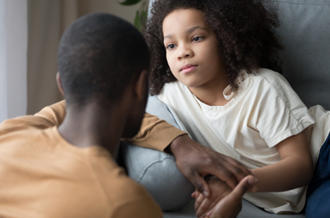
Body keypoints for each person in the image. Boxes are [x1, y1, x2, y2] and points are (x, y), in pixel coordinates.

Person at [0, 12, 257, 218]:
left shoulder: (10, 133)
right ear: (140, 87)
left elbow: (81, 105)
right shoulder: (122, 203)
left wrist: (179, 142)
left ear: (63, 85)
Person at [144, 0, 330, 217]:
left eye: (196, 38)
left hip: (324, 151)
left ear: (224, 38)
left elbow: (300, 166)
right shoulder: (171, 94)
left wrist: (233, 182)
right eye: (171, 45)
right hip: (310, 191)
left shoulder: (262, 87)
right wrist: (178, 144)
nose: (182, 52)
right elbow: (125, 114)